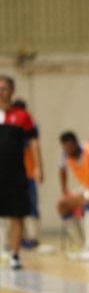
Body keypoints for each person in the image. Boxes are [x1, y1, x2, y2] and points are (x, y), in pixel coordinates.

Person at [0, 76, 44, 269]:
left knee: (17, 214)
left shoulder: (23, 116)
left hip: (16, 172)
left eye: (5, 88)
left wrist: (38, 166)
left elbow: (34, 142)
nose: (2, 92)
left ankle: (15, 254)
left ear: (12, 91)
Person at [57, 131, 89, 257]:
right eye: (65, 146)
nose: (68, 149)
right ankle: (79, 242)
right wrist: (64, 190)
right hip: (84, 188)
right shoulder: (64, 154)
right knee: (62, 205)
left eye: (70, 145)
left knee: (86, 201)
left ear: (76, 143)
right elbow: (62, 169)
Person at [13, 99, 44, 248]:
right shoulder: (7, 121)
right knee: (14, 207)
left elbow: (33, 143)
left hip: (29, 171)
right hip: (12, 171)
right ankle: (18, 239)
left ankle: (33, 237)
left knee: (31, 204)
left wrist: (39, 167)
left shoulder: (30, 124)